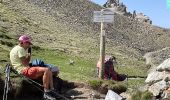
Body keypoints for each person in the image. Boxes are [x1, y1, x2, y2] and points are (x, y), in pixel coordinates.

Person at [10, 35, 56, 100]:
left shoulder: (16, 48)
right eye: (28, 43)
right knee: (47, 70)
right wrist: (29, 55)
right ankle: (46, 93)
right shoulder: (20, 49)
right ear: (23, 42)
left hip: (22, 69)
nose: (29, 45)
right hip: (24, 70)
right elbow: (25, 64)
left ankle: (51, 90)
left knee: (49, 70)